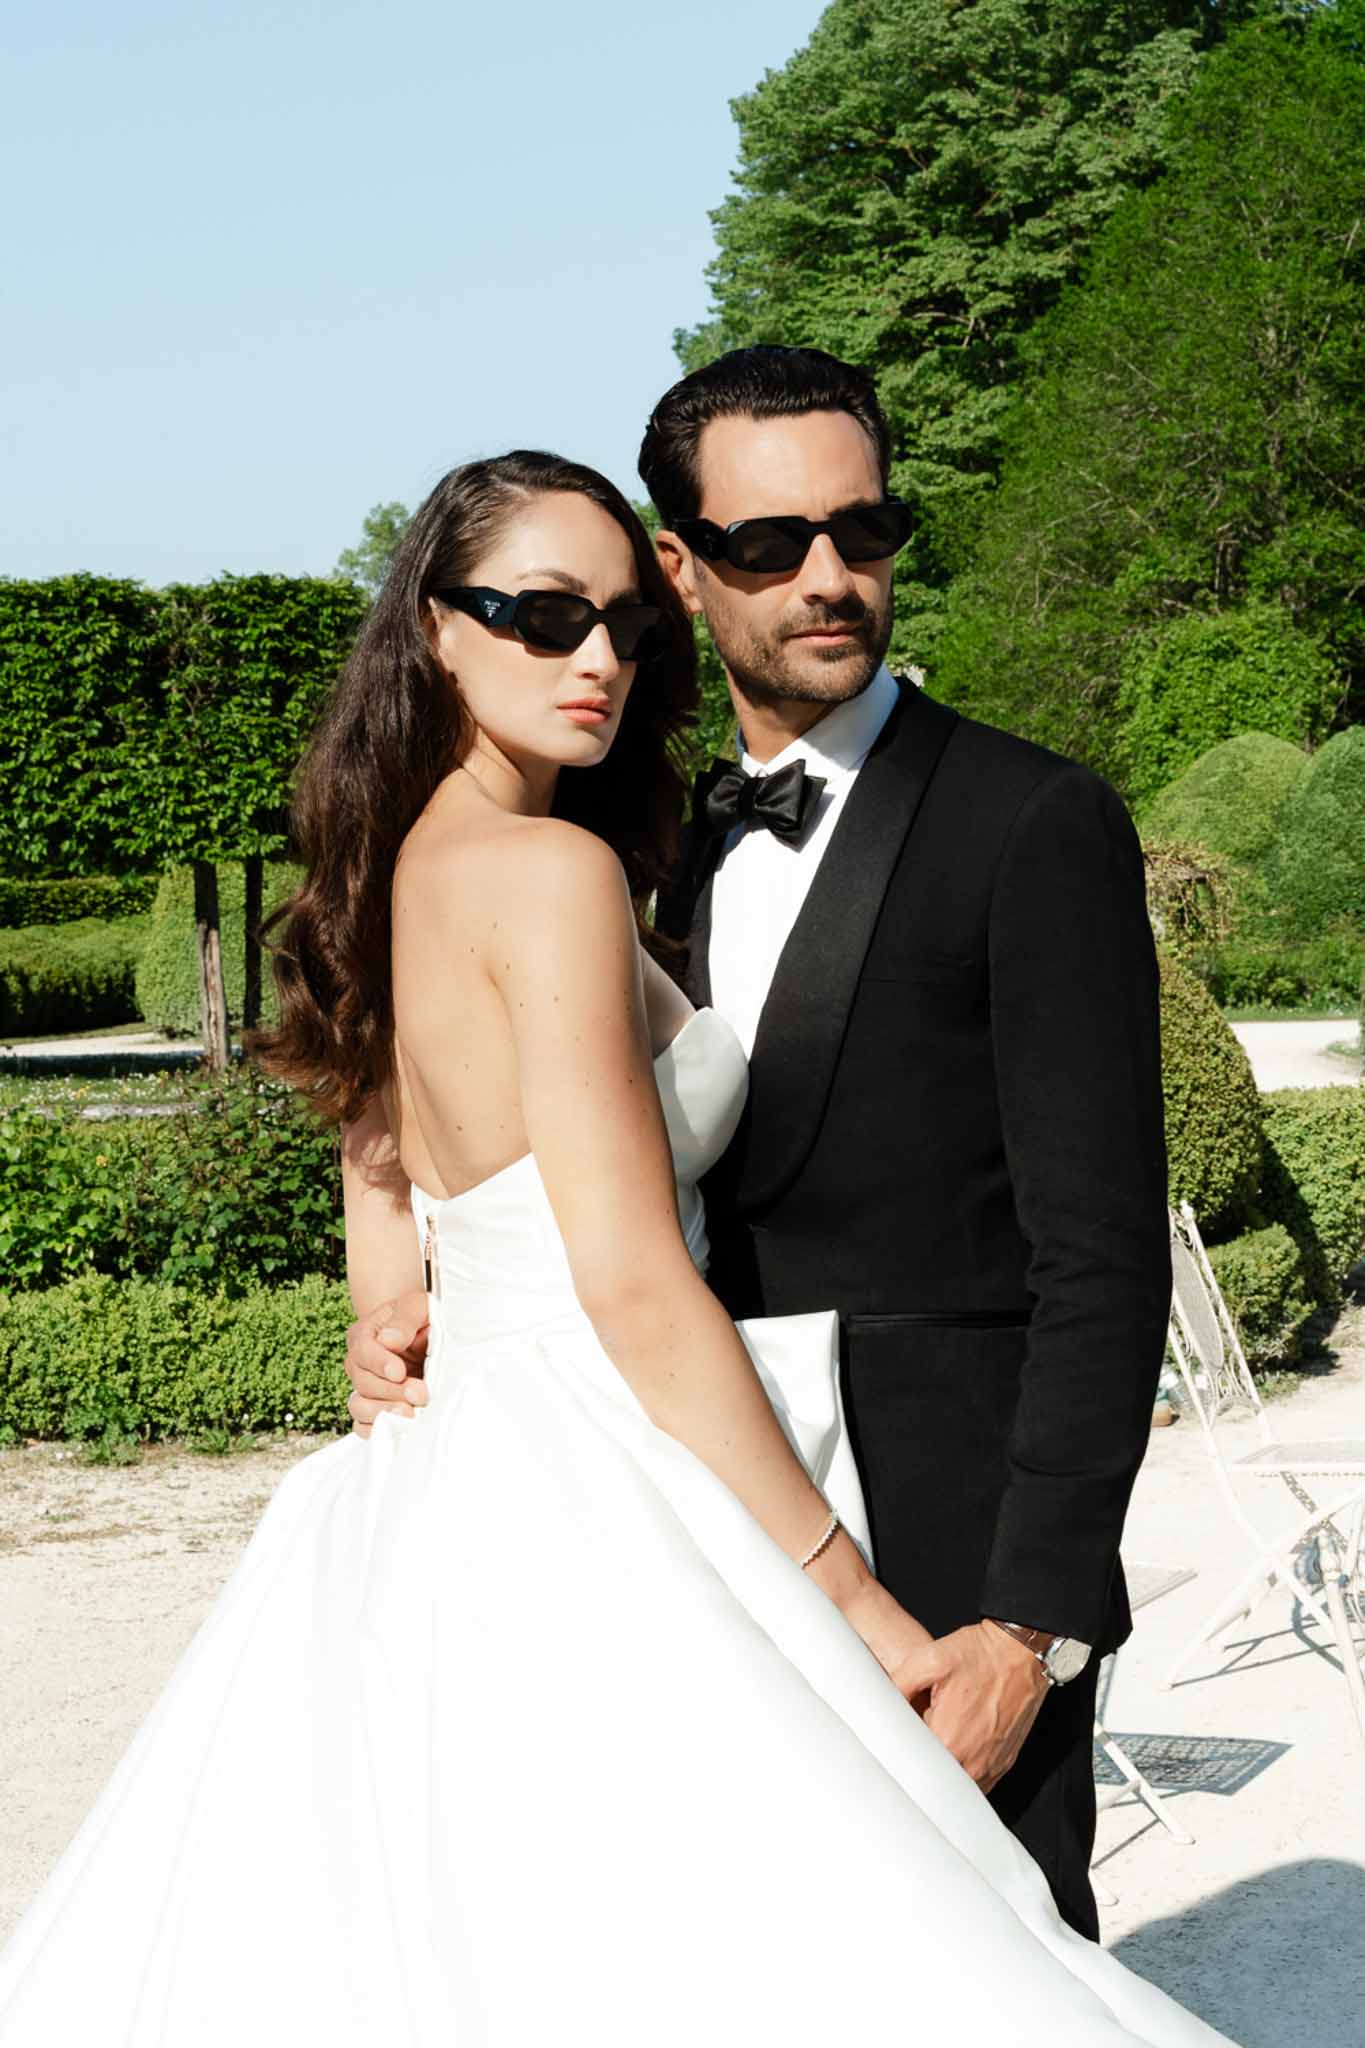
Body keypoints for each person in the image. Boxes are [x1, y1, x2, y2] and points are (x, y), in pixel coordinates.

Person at [0, 449, 1227, 2047]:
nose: (597, 660)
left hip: (450, 1491)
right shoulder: (558, 873)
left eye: (626, 629)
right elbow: (634, 1281)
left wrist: (392, 1312)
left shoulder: (383, 873)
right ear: (435, 628)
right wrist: (852, 1602)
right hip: (619, 1464)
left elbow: (387, 1177)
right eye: (541, 616)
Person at [347, 348, 1173, 1943]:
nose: (827, 578)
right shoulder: (629, 838)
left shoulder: (1031, 821)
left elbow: (1102, 1256)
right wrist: (411, 1307)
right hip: (682, 1525)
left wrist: (1034, 1627)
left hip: (944, 1567)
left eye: (865, 534)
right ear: (681, 567)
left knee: (992, 1981)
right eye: (767, 544)